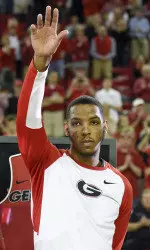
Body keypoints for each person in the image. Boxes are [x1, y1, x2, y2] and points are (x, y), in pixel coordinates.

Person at [16, 6, 133, 250]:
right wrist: (39, 65)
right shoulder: (45, 163)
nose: (86, 130)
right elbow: (27, 121)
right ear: (67, 129)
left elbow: (115, 245)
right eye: (77, 123)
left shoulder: (122, 186)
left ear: (105, 127)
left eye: (93, 122)